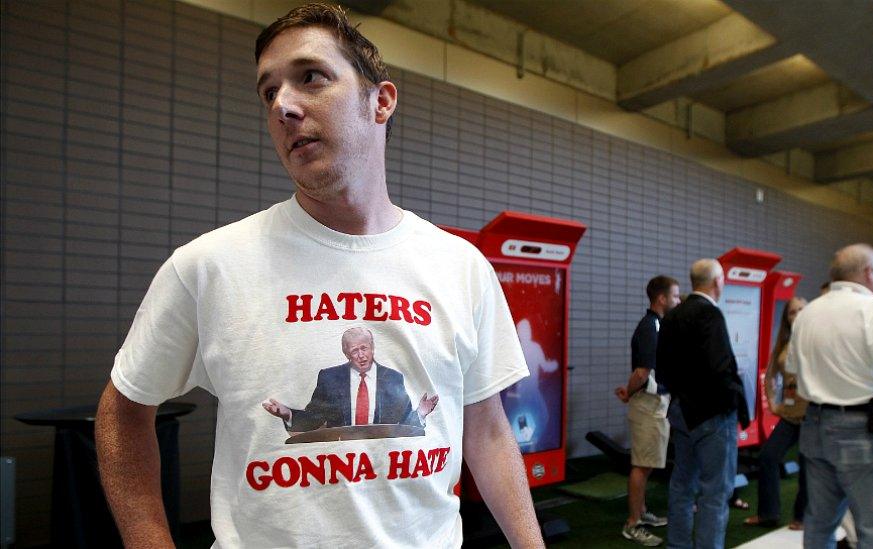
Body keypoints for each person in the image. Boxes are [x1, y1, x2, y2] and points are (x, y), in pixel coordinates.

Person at [94, 4, 545, 547]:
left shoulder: (461, 267)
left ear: (380, 102)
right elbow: (123, 410)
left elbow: (488, 430)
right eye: (268, 92)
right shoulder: (208, 267)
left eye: (311, 77)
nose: (283, 105)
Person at [786, 244, 873, 549]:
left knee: (819, 524)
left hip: (815, 425)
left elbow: (792, 369)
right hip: (864, 428)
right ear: (869, 272)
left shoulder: (808, 313)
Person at [657, 259, 750, 549]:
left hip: (681, 412)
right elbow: (719, 367)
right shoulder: (710, 315)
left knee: (682, 486)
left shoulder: (672, 315)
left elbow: (662, 369)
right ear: (718, 281)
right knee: (715, 492)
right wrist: (733, 402)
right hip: (712, 415)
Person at [263, 327, 438, 433]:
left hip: (382, 461)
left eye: (365, 348)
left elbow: (404, 423)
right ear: (346, 354)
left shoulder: (393, 378)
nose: (361, 355)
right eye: (355, 350)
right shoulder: (329, 378)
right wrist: (289, 414)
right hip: (339, 463)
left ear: (372, 348)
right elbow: (313, 418)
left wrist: (420, 413)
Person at [614, 275, 681, 546]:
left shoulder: (659, 326)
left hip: (657, 404)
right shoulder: (649, 327)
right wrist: (629, 392)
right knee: (642, 465)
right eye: (675, 296)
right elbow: (642, 372)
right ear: (662, 298)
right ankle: (633, 523)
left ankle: (641, 511)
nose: (678, 301)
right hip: (648, 405)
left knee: (649, 462)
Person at [744, 297, 808, 529]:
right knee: (768, 456)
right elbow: (770, 376)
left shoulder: (816, 341)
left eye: (802, 310)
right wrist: (772, 404)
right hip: (789, 414)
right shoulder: (783, 343)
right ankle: (768, 514)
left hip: (813, 416)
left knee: (807, 464)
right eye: (792, 312)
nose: (797, 315)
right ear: (787, 318)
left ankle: (802, 517)